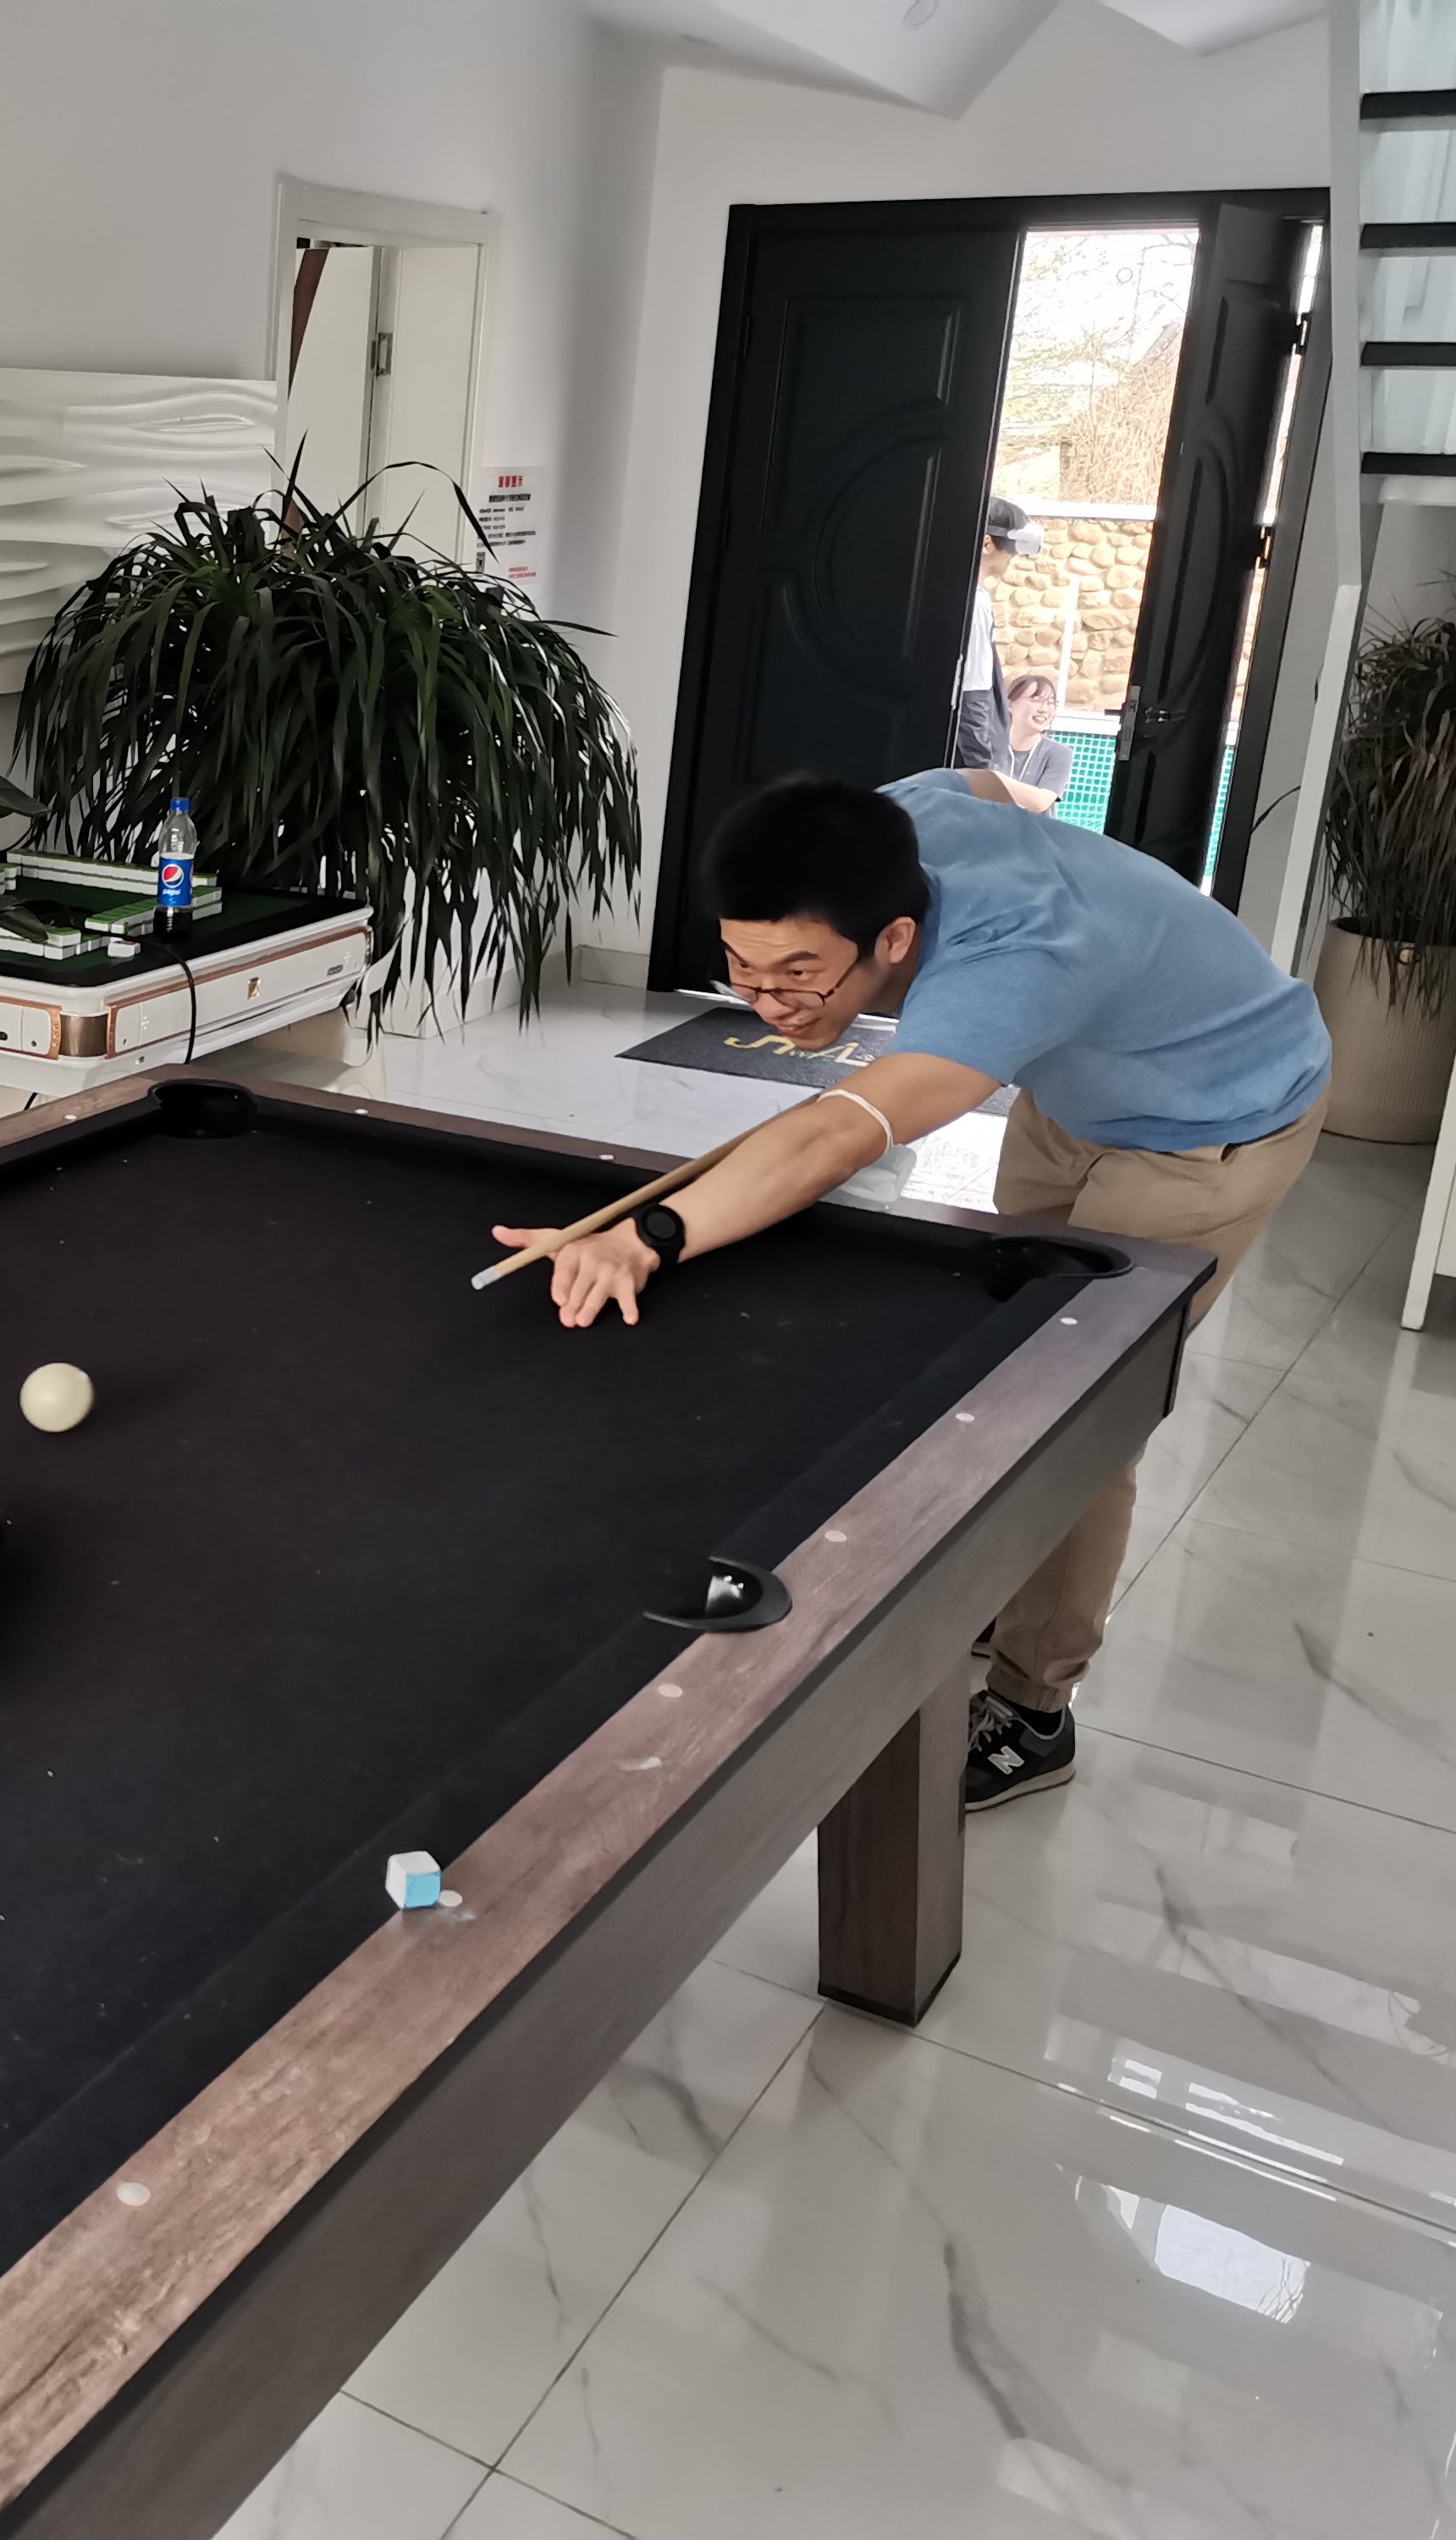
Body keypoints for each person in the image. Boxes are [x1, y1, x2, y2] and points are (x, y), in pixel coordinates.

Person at [491, 769, 1329, 1811]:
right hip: (1075, 1093)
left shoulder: (1009, 972)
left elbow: (834, 1136)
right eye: (743, 968)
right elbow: (987, 782)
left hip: (1214, 1122)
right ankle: (1002, 1581)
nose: (767, 1001)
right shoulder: (897, 825)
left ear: (893, 940)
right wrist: (1063, 859)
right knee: (1003, 1351)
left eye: (799, 974)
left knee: (1069, 1410)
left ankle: (1032, 1707)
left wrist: (649, 1235)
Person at [949, 499, 1041, 772]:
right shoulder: (974, 603)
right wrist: (982, 768)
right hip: (965, 760)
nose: (1015, 556)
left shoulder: (946, 593)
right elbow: (972, 691)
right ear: (987, 544)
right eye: (1011, 547)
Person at [990, 672, 1074, 813]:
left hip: (1035, 827)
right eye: (1035, 700)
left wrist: (992, 777)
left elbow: (1041, 802)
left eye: (1050, 703)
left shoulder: (1059, 753)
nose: (1044, 709)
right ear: (1009, 704)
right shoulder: (988, 747)